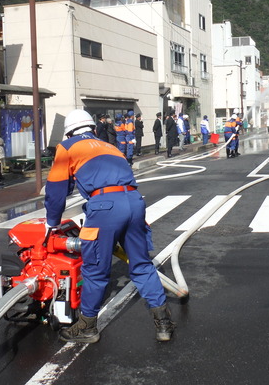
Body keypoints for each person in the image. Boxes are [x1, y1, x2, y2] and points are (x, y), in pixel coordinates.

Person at [45, 109, 174, 343]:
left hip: (105, 206)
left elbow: (56, 190)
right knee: (142, 264)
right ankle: (163, 324)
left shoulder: (67, 147)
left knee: (95, 269)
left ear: (69, 132)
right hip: (135, 202)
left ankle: (87, 327)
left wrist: (52, 223)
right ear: (93, 129)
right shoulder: (110, 147)